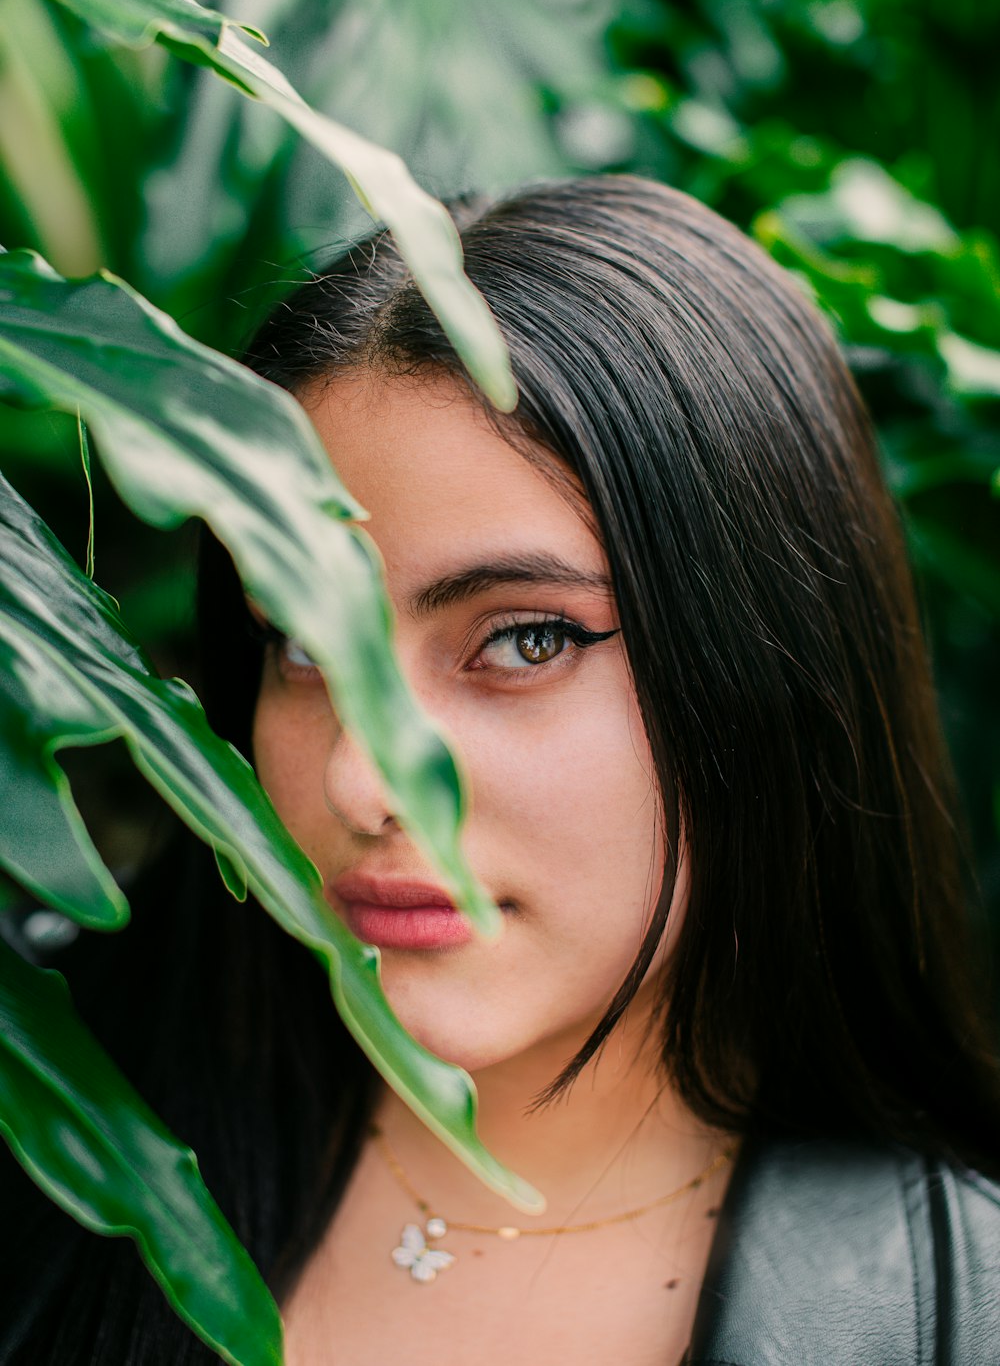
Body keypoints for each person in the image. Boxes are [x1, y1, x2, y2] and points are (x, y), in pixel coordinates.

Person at [2, 174, 1000, 1363]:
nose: (364, 785)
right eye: (305, 645)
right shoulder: (51, 1128)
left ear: (769, 664)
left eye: (525, 640)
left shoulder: (946, 1311)